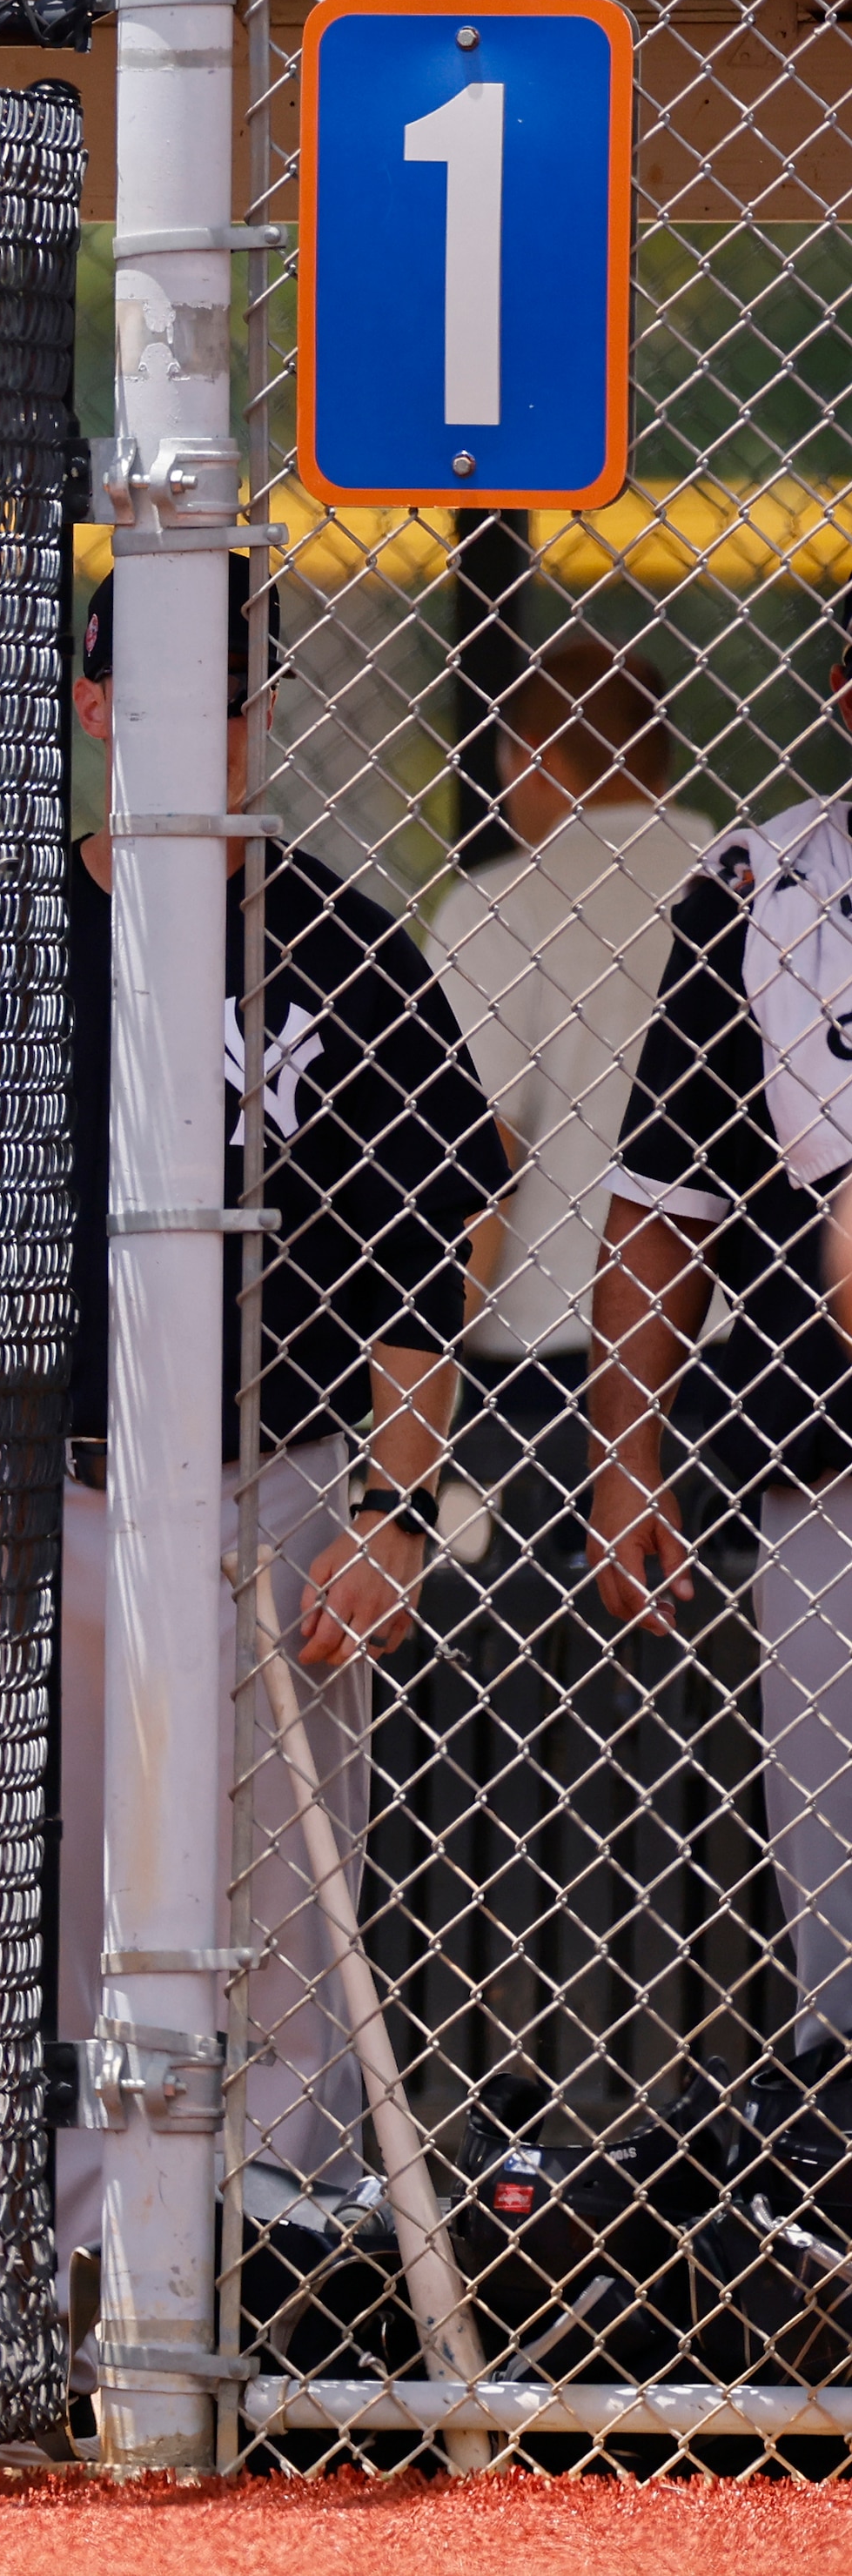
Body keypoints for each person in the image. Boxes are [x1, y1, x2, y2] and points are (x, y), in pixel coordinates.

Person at [48, 569, 499, 2267]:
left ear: (262, 711)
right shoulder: (15, 931)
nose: (192, 721)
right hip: (64, 1490)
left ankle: (272, 2249)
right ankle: (95, 2265)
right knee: (76, 1893)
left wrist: (392, 1510)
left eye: (227, 689)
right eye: (152, 686)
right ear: (91, 705)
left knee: (285, 1909)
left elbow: (420, 1256)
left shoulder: (341, 938)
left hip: (283, 1474)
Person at [597, 581, 852, 2059]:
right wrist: (628, 1452)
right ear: (838, 685)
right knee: (830, 1883)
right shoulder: (758, 880)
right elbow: (661, 1195)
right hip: (820, 1447)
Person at [424, 645, 711, 1600]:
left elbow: (473, 1161)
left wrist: (422, 1380)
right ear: (659, 755)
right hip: (726, 1346)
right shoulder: (750, 879)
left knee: (526, 1672)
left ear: (529, 759)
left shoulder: (499, 906)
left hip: (542, 1356)